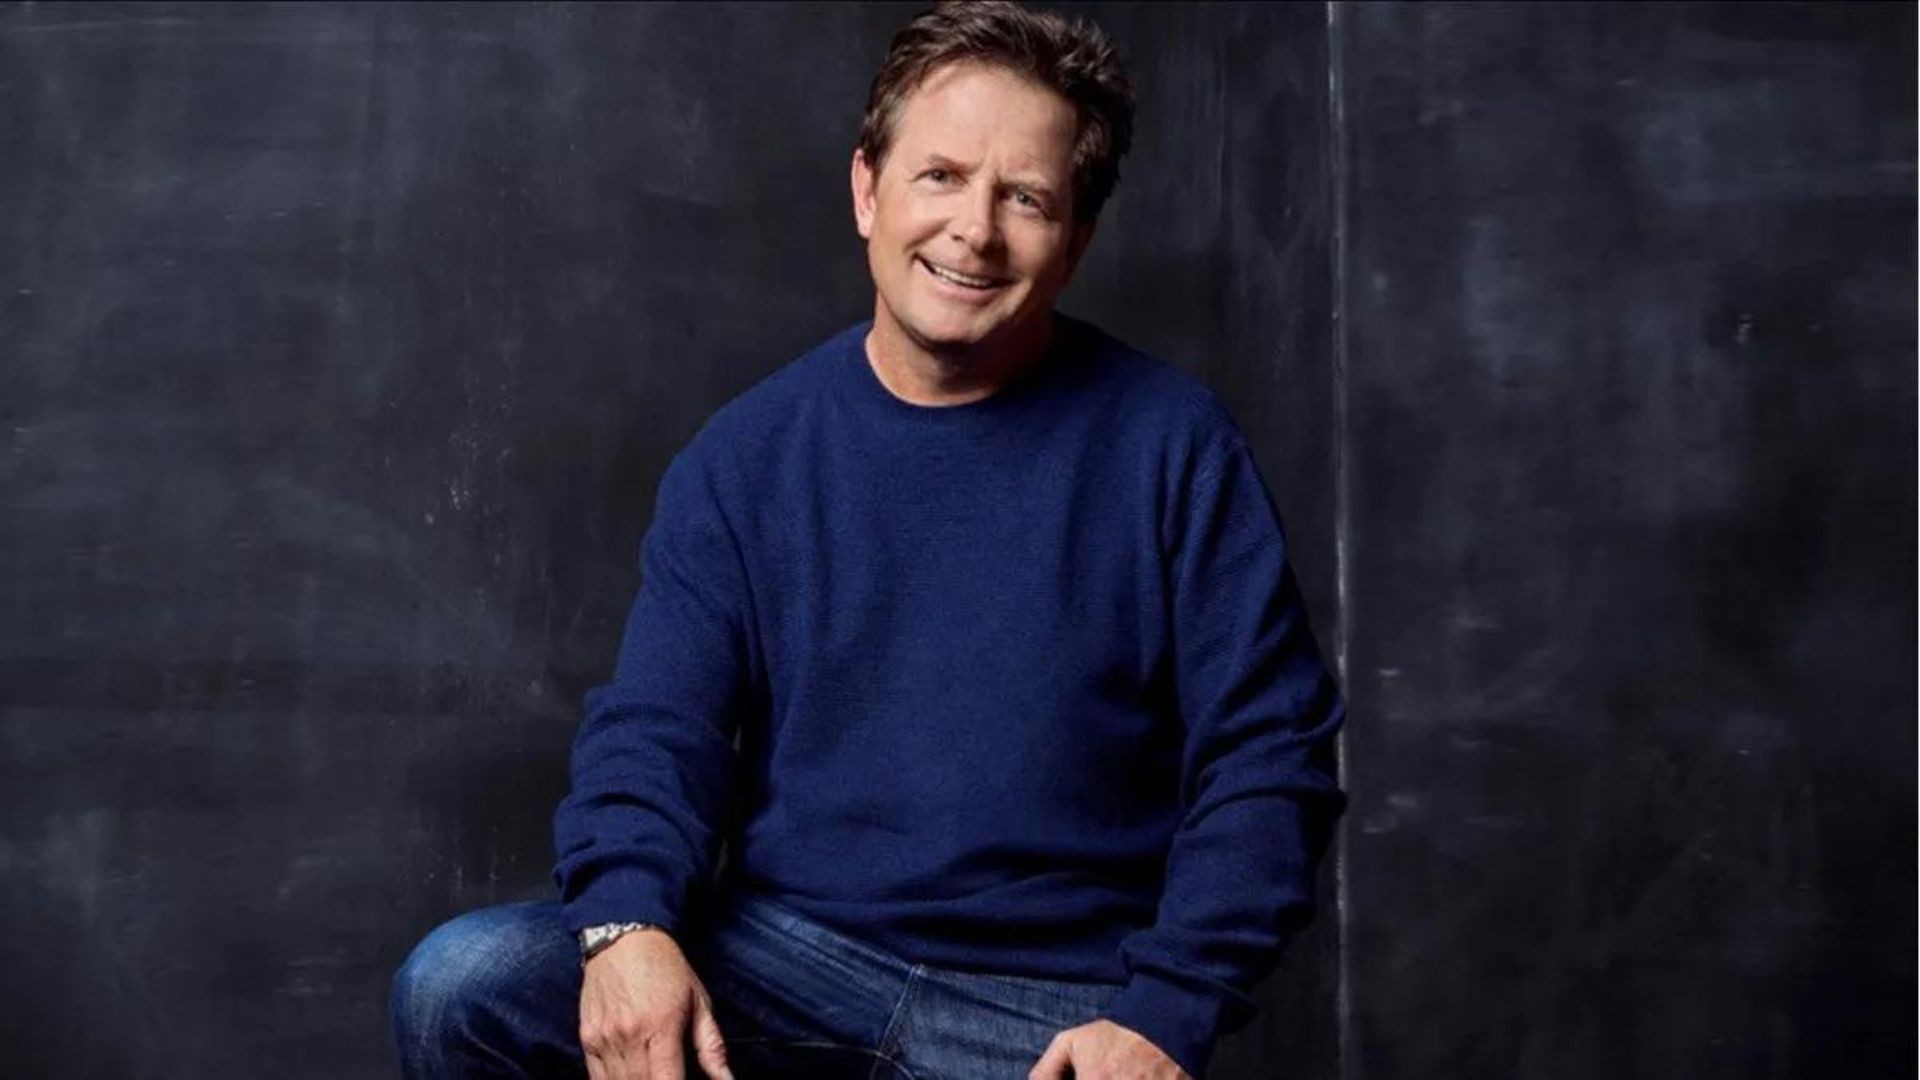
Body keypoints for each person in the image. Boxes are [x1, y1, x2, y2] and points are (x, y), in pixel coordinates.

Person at [390, 3, 1347, 1078]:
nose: (974, 230)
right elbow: (657, 728)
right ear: (867, 190)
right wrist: (627, 926)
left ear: (1075, 241)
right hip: (788, 963)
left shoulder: (1173, 447)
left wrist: (1166, 1014)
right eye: (941, 176)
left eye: (1025, 198)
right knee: (462, 986)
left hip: (1053, 1003)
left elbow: (1271, 758)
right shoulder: (748, 456)